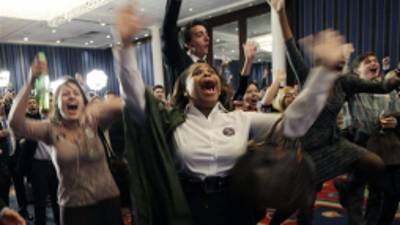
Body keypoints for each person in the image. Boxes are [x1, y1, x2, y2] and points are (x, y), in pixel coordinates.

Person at [116, 5, 348, 225]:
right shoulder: (172, 122)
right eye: (197, 72)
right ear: (184, 89)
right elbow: (135, 99)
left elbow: (295, 124)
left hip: (235, 204)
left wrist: (324, 73)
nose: (207, 73)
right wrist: (126, 45)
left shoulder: (239, 118)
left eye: (211, 72)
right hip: (189, 207)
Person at [267, 0, 400, 224]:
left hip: (332, 143)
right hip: (304, 149)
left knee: (375, 163)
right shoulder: (308, 76)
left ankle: (348, 186)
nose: (342, 56)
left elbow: (382, 86)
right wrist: (280, 13)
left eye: (342, 54)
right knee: (304, 204)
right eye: (336, 53)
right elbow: (290, 45)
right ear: (322, 59)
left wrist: (396, 74)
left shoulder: (346, 82)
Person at [8, 56, 124, 225]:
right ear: (57, 104)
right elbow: (15, 124)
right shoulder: (50, 129)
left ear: (83, 102)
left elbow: (128, 104)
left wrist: (98, 107)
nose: (71, 96)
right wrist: (30, 81)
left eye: (76, 93)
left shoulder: (93, 121)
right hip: (74, 208)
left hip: (108, 201)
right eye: (65, 94)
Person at [161, 0, 256, 93]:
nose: (207, 38)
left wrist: (248, 62)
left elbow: (234, 98)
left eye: (206, 34)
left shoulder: (209, 69)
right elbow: (168, 31)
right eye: (199, 35)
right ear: (188, 44)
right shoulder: (179, 60)